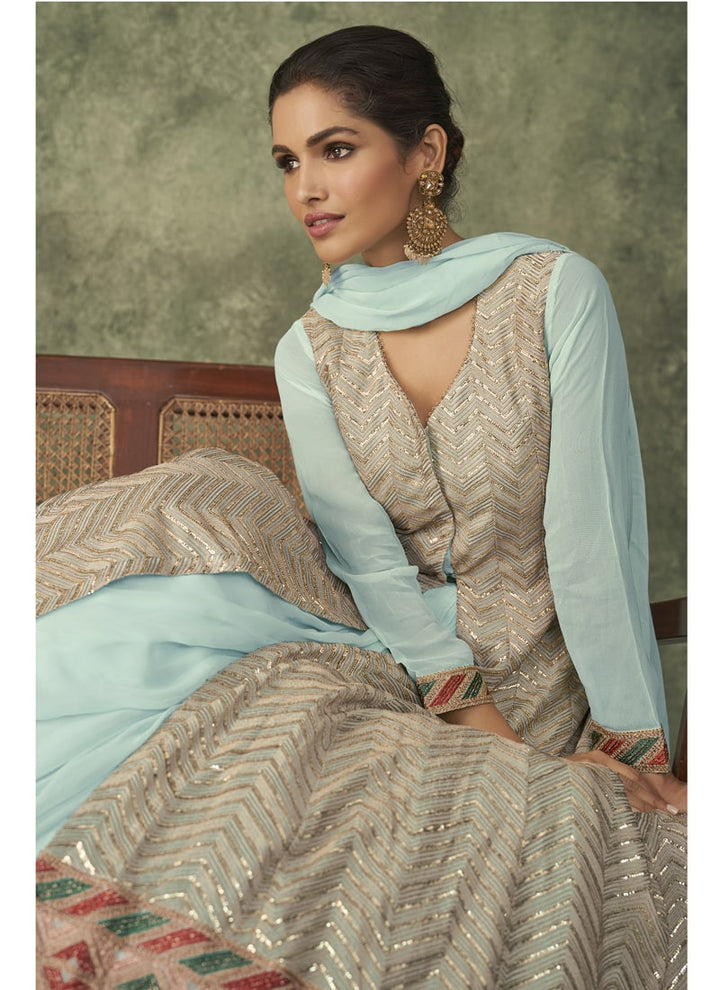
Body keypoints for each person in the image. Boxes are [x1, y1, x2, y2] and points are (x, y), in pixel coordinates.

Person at [36, 25, 686, 990]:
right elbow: (368, 558)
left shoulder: (552, 292)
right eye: (288, 161)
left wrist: (635, 747)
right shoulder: (312, 347)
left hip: (545, 661)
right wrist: (466, 711)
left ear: (426, 153)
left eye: (336, 150)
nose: (307, 188)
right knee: (256, 800)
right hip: (391, 654)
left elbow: (592, 538)